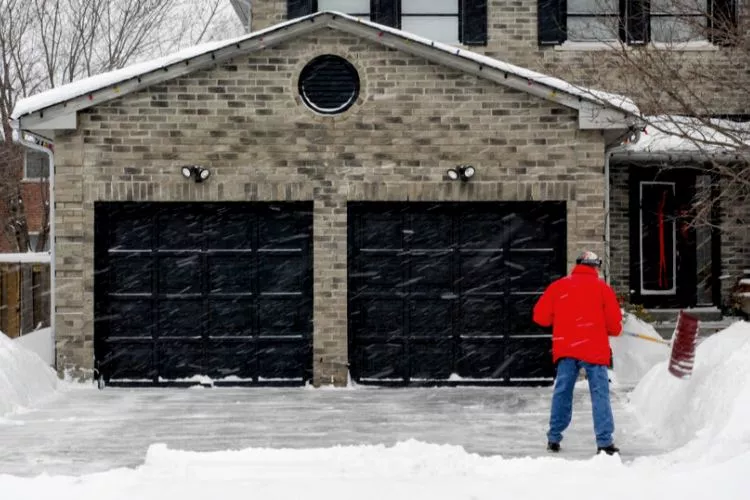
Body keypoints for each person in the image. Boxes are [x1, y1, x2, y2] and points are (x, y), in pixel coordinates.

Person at [532, 250, 623, 455]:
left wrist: (563, 316)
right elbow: (615, 328)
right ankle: (604, 442)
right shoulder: (602, 289)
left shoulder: (558, 286)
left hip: (567, 348)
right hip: (594, 349)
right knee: (600, 394)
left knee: (562, 392)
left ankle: (554, 437)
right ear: (594, 267)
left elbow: (540, 317)